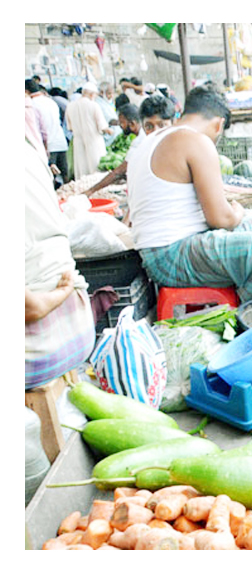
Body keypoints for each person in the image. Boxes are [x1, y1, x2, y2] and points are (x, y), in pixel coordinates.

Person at [126, 86, 252, 303]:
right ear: (219, 124)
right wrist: (236, 212)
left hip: (167, 251)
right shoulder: (196, 141)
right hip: (169, 256)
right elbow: (221, 219)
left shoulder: (153, 140)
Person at [25, 134, 95, 390]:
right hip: (79, 330)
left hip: (36, 352)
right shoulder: (27, 147)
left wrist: (62, 291)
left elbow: (31, 308)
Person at [87, 95, 177, 196]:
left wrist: (90, 191)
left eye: (162, 125)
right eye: (149, 126)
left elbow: (119, 172)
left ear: (173, 123)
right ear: (143, 126)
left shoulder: (183, 147)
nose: (155, 132)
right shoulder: (142, 142)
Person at [65, 82, 113, 179]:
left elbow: (69, 128)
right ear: (92, 94)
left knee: (82, 170)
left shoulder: (70, 106)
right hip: (94, 140)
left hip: (78, 141)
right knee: (96, 169)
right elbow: (102, 126)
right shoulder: (94, 105)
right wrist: (110, 131)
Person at [27, 79, 69, 186]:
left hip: (49, 145)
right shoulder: (51, 101)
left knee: (50, 179)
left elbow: (41, 130)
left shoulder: (32, 105)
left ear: (26, 91)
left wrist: (45, 148)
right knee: (65, 176)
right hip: (60, 141)